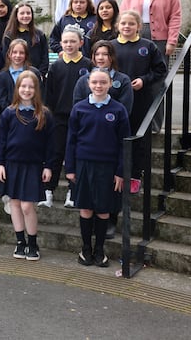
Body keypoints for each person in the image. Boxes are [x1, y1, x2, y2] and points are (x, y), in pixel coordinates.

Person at [65, 69, 129, 267]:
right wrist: (70, 167)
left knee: (103, 210)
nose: (98, 86)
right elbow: (71, 140)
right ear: (88, 84)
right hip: (84, 164)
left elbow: (123, 144)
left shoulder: (118, 110)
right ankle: (86, 249)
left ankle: (100, 250)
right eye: (94, 82)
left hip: (108, 168)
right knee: (85, 208)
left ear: (110, 83)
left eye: (103, 82)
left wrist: (120, 171)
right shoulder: (79, 108)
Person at [0, 70, 55, 261]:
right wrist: (0, 164)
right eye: (23, 86)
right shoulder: (8, 113)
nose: (27, 90)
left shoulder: (44, 114)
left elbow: (50, 144)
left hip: (34, 166)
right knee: (14, 203)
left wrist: (48, 166)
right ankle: (20, 242)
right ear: (17, 88)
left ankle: (32, 242)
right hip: (12, 164)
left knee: (27, 205)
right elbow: (1, 141)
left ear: (36, 89)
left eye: (31, 87)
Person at [110, 11, 167, 185]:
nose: (127, 27)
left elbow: (160, 70)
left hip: (140, 99)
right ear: (117, 26)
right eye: (123, 23)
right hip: (115, 99)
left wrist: (144, 80)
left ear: (139, 27)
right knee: (114, 135)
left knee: (138, 138)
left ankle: (135, 175)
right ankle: (114, 173)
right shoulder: (110, 46)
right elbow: (100, 66)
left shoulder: (148, 46)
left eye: (131, 24)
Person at [43, 25, 92, 209]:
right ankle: (48, 190)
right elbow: (50, 95)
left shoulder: (88, 65)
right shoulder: (56, 66)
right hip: (59, 118)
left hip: (81, 118)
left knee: (76, 155)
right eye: (65, 42)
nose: (69, 45)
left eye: (73, 41)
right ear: (60, 44)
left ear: (81, 42)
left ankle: (73, 191)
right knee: (55, 153)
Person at [2, 3, 49, 76]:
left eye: (28, 13)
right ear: (16, 16)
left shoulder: (39, 35)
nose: (25, 16)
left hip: (36, 76)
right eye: (22, 13)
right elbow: (6, 58)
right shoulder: (9, 36)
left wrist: (40, 74)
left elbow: (45, 57)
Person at [0, 38, 42, 109]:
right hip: (11, 114)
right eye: (14, 52)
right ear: (9, 54)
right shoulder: (2, 75)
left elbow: (39, 94)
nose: (18, 55)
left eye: (21, 53)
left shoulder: (34, 73)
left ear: (26, 55)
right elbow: (2, 99)